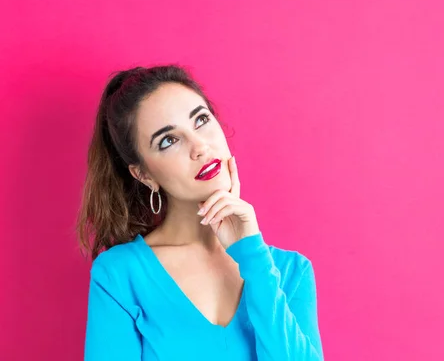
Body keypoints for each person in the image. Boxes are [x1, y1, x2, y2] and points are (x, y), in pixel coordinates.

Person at [76, 65, 324, 360]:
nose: (199, 147)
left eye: (201, 120)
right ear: (143, 175)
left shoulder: (290, 271)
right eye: (168, 140)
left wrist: (253, 257)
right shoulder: (119, 275)